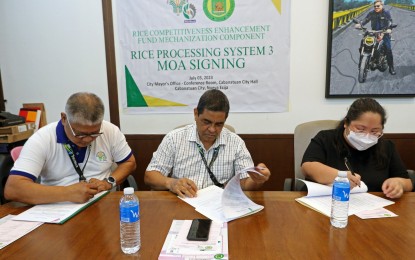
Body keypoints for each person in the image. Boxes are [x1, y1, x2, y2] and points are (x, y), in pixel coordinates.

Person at [4, 92, 136, 204]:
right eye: (80, 134)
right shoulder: (42, 140)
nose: (88, 139)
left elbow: (129, 162)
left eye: (94, 133)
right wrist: (67, 192)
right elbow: (13, 189)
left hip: (103, 204)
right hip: (57, 209)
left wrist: (109, 182)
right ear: (64, 118)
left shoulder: (109, 130)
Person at [144, 89, 271, 198]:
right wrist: (171, 183)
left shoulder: (236, 143)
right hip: (183, 203)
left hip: (220, 207)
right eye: (206, 122)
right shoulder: (174, 138)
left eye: (219, 124)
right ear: (195, 114)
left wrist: (257, 180)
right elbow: (150, 176)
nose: (212, 129)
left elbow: (244, 184)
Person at [301, 98, 412, 199]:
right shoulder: (326, 138)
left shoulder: (387, 147)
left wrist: (398, 183)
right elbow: (308, 167)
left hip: (371, 209)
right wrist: (340, 176)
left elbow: (407, 182)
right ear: (346, 123)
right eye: (360, 129)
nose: (367, 135)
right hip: (326, 203)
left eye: (374, 131)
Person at [356, 0, 396, 75]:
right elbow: (366, 20)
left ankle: (391, 67)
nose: (376, 7)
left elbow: (390, 22)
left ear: (382, 6)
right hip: (373, 32)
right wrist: (360, 24)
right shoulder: (371, 13)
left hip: (384, 32)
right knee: (363, 42)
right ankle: (362, 63)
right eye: (375, 6)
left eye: (378, 6)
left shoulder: (386, 13)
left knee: (388, 49)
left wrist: (389, 29)